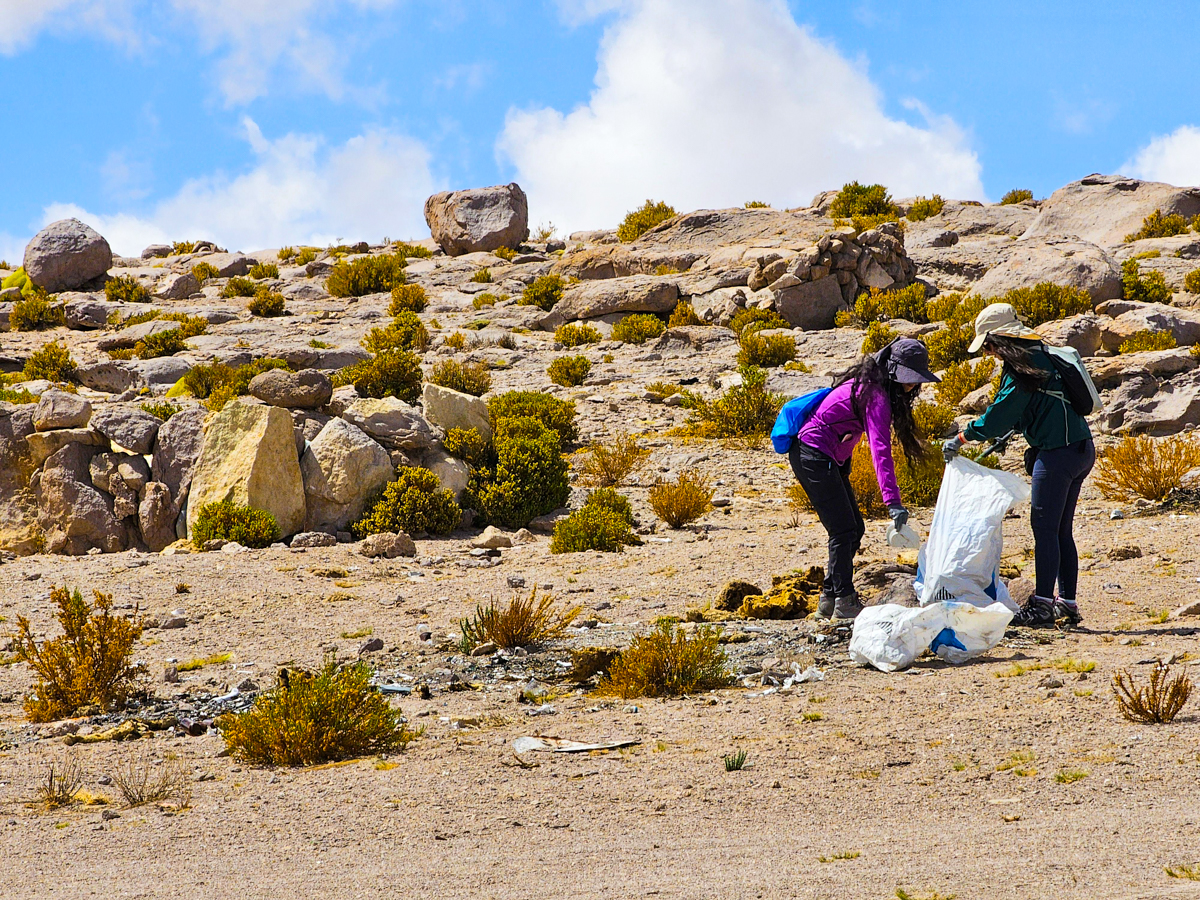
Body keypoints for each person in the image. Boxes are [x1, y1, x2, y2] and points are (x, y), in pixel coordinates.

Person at [942, 302, 1095, 629]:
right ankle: (1067, 605)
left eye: (989, 346)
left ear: (1000, 339)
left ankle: (1041, 606)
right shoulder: (1044, 353)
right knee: (1059, 530)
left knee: (1044, 528)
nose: (991, 353)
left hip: (1058, 455)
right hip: (1081, 449)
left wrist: (962, 437)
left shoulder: (1022, 365)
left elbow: (997, 418)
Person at [791, 338, 940, 620]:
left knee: (854, 529)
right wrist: (892, 502)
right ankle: (845, 600)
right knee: (843, 530)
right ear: (895, 372)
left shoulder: (875, 386)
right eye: (909, 379)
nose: (912, 385)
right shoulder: (876, 397)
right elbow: (880, 450)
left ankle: (829, 598)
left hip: (829, 457)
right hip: (812, 455)